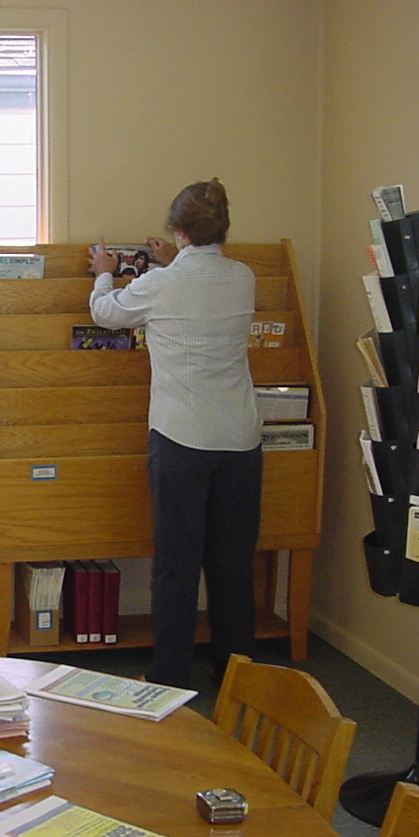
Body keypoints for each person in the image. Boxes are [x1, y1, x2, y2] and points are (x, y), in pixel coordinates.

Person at [85, 179, 262, 690]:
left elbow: (107, 312)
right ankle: (237, 674)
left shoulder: (160, 286)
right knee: (232, 564)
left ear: (177, 230)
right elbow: (198, 295)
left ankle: (169, 676)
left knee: (177, 564)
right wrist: (169, 263)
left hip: (181, 438)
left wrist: (104, 275)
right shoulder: (243, 277)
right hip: (240, 438)